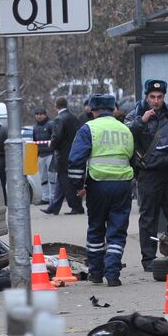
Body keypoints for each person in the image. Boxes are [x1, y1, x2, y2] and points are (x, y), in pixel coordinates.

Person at [67, 93, 135, 286]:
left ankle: (96, 273)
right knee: (117, 230)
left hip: (97, 184)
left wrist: (78, 187)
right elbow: (132, 157)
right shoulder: (124, 129)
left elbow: (75, 160)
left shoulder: (88, 129)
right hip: (122, 184)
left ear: (93, 110)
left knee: (96, 228)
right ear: (113, 109)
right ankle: (113, 274)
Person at [125, 79, 168, 271]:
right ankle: (148, 258)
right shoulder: (135, 115)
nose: (156, 101)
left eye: (159, 97)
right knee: (149, 217)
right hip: (148, 174)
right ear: (146, 96)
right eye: (152, 97)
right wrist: (141, 122)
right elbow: (126, 135)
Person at [43, 97, 84, 215]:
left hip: (63, 156)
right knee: (62, 182)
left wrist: (51, 146)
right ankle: (54, 207)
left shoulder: (59, 119)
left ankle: (76, 206)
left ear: (56, 106)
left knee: (66, 182)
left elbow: (57, 136)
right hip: (75, 153)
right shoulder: (73, 117)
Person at [31, 106, 54, 205]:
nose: (39, 116)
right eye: (37, 114)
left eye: (41, 114)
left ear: (45, 115)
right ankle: (45, 198)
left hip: (50, 154)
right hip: (41, 155)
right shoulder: (35, 127)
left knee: (52, 176)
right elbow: (34, 141)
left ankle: (53, 197)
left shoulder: (50, 125)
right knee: (43, 177)